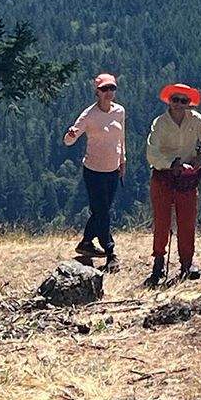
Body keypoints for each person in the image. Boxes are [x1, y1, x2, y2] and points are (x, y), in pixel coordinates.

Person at [145, 82, 201, 283]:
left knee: (187, 221)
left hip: (186, 178)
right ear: (169, 101)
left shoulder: (196, 120)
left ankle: (187, 262)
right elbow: (152, 153)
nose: (178, 104)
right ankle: (158, 262)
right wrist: (171, 164)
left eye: (183, 101)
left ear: (189, 103)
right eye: (175, 100)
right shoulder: (160, 123)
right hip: (163, 177)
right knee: (162, 221)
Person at [63, 72, 126, 268]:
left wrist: (123, 161)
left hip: (113, 169)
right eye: (104, 89)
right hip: (94, 170)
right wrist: (71, 135)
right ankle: (110, 251)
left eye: (111, 88)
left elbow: (121, 138)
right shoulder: (89, 115)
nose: (108, 92)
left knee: (102, 210)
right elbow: (69, 141)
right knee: (103, 212)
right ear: (97, 91)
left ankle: (86, 242)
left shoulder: (120, 111)